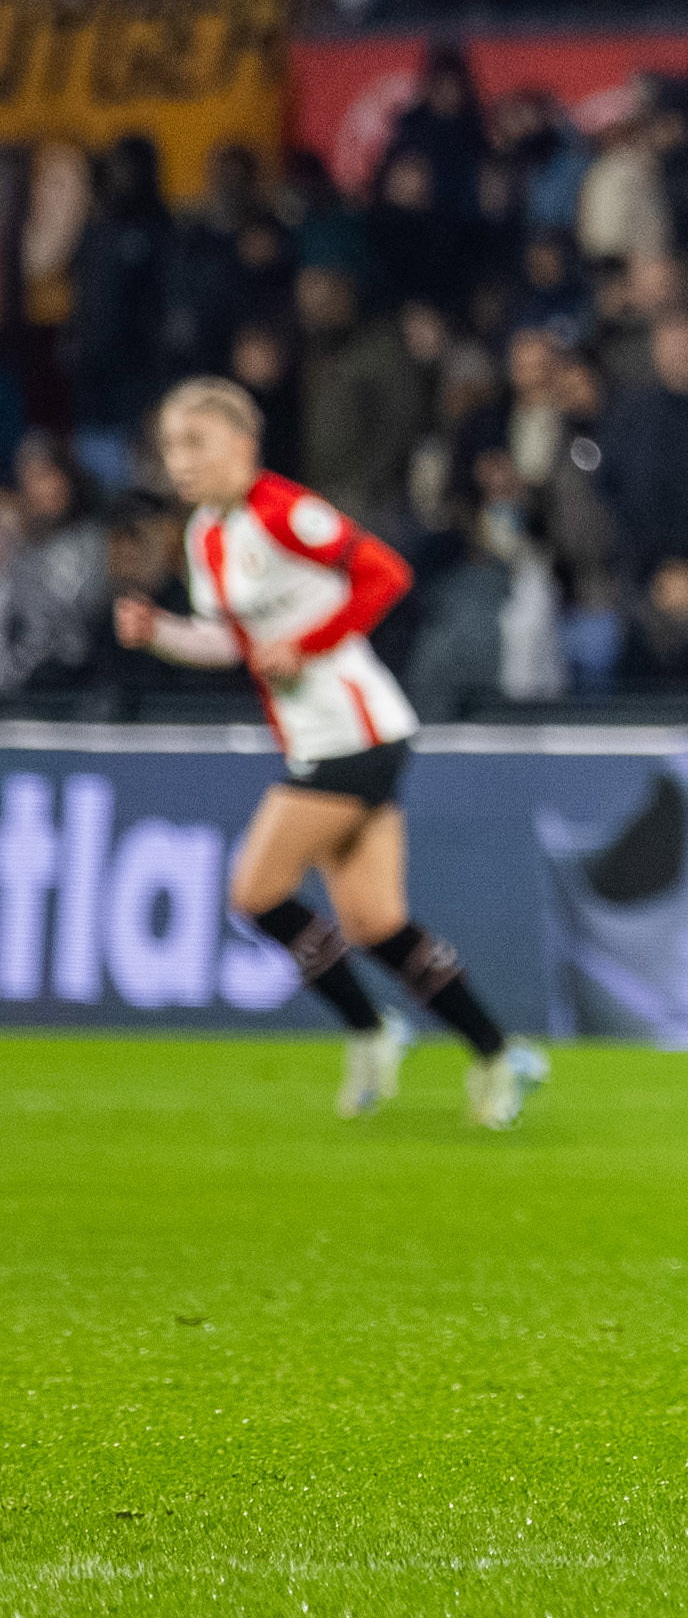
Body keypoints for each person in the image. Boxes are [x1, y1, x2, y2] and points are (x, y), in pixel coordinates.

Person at [104, 379, 546, 1129]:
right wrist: (163, 635)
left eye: (196, 442)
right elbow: (237, 645)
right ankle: (502, 1056)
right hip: (330, 738)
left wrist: (305, 646)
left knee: (254, 892)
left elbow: (385, 574)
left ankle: (375, 1032)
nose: (180, 461)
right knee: (376, 922)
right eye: (171, 445)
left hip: (357, 730)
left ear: (243, 445)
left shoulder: (284, 511)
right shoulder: (204, 537)